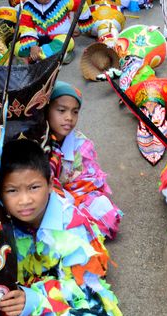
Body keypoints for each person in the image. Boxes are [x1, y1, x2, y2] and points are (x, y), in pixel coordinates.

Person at [0, 139, 122, 316]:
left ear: (50, 184)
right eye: (12, 190)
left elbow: (85, 287)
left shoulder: (72, 224)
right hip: (21, 290)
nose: (25, 200)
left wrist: (34, 300)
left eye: (34, 187)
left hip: (58, 292)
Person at [47, 81, 123, 239]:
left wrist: (72, 192)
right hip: (51, 197)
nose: (69, 118)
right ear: (47, 110)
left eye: (75, 112)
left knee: (105, 211)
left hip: (78, 194)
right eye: (61, 110)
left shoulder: (82, 144)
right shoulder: (39, 141)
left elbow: (89, 181)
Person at [14, 0, 89, 63]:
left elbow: (81, 3)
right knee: (17, 48)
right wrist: (32, 45)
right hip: (38, 40)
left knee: (67, 42)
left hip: (59, 37)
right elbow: (26, 27)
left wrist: (80, 26)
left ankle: (33, 58)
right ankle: (59, 56)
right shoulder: (28, 6)